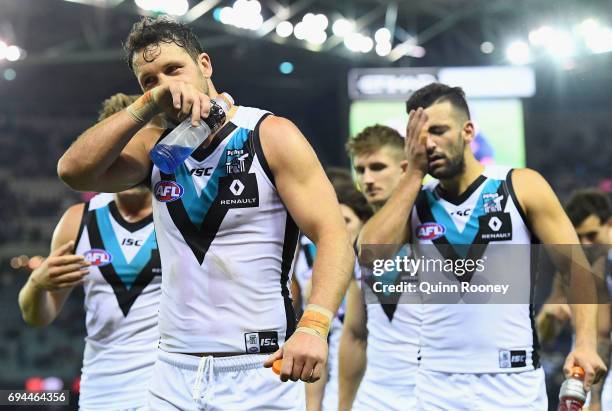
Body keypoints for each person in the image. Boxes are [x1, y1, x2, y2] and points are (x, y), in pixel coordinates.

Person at [56, 16, 354, 411]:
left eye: (173, 69)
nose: (165, 83)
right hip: (170, 373)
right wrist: (148, 105)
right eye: (149, 79)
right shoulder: (155, 148)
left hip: (258, 371)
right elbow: (73, 172)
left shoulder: (269, 134)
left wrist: (314, 326)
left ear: (205, 65)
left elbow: (334, 235)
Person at [359, 83, 606, 410]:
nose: (428, 143)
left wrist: (585, 344)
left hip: (512, 382)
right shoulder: (413, 201)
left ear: (468, 131)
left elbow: (576, 268)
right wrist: (413, 175)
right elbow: (370, 255)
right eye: (418, 135)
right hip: (435, 383)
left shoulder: (519, 185)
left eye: (438, 130)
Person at [18, 93, 161, 411]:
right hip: (102, 389)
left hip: (171, 386)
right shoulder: (77, 221)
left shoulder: (180, 213)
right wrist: (36, 285)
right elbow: (38, 316)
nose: (131, 159)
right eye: (121, 147)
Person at [338, 125, 421, 411]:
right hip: (377, 395)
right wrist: (344, 407)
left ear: (406, 168)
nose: (368, 179)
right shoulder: (358, 238)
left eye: (377, 167)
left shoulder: (435, 222)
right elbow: (355, 334)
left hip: (434, 390)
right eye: (360, 170)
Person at [300, 174, 372, 411]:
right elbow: (315, 345)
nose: (340, 233)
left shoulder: (376, 265)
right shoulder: (311, 266)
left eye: (346, 222)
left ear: (364, 222)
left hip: (378, 388)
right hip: (335, 390)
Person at [537, 188, 611, 411]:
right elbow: (542, 336)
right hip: (588, 366)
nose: (585, 244)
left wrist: (596, 401)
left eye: (592, 235)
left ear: (610, 224)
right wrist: (549, 318)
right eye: (578, 236)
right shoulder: (571, 270)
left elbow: (603, 334)